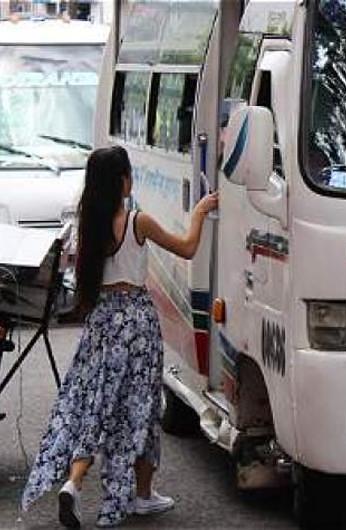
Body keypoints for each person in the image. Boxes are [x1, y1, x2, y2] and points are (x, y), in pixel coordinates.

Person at [20, 146, 218, 527]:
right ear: (122, 180)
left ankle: (74, 484)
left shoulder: (87, 225)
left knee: (93, 406)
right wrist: (200, 212)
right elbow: (188, 248)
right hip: (137, 323)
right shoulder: (137, 222)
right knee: (139, 408)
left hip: (102, 319)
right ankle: (141, 496)